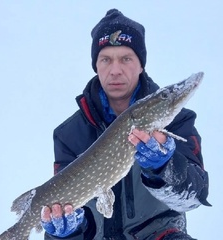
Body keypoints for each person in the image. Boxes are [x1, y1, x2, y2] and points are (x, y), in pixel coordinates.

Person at [40, 9, 211, 240]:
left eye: (126, 58)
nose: (116, 70)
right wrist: (65, 233)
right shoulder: (69, 134)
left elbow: (194, 197)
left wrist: (164, 166)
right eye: (106, 59)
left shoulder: (178, 120)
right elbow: (73, 224)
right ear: (96, 66)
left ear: (141, 65)